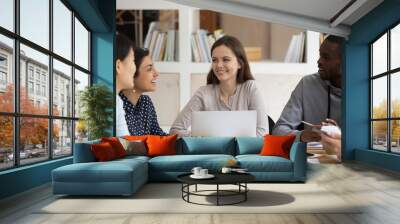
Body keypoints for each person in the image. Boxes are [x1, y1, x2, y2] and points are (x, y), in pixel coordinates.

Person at [170, 35, 269, 137]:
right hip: (212, 151)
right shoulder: (203, 93)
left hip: (243, 152)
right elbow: (175, 130)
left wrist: (225, 140)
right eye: (214, 60)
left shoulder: (250, 88)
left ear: (240, 63)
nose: (219, 65)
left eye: (226, 60)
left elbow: (263, 133)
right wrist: (201, 137)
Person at [272, 35, 344, 160]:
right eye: (320, 55)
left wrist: (338, 138)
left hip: (346, 158)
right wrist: (302, 135)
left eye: (326, 57)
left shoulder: (362, 92)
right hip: (314, 157)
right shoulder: (307, 84)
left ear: (345, 61)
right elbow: (278, 130)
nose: (319, 61)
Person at [119, 47, 167, 136]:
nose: (156, 73)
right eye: (149, 69)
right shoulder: (118, 105)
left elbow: (159, 136)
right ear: (132, 71)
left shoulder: (146, 102)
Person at [116, 33, 136, 136]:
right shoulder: (110, 102)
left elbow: (126, 144)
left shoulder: (117, 101)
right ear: (118, 66)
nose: (135, 68)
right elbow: (127, 145)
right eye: (133, 61)